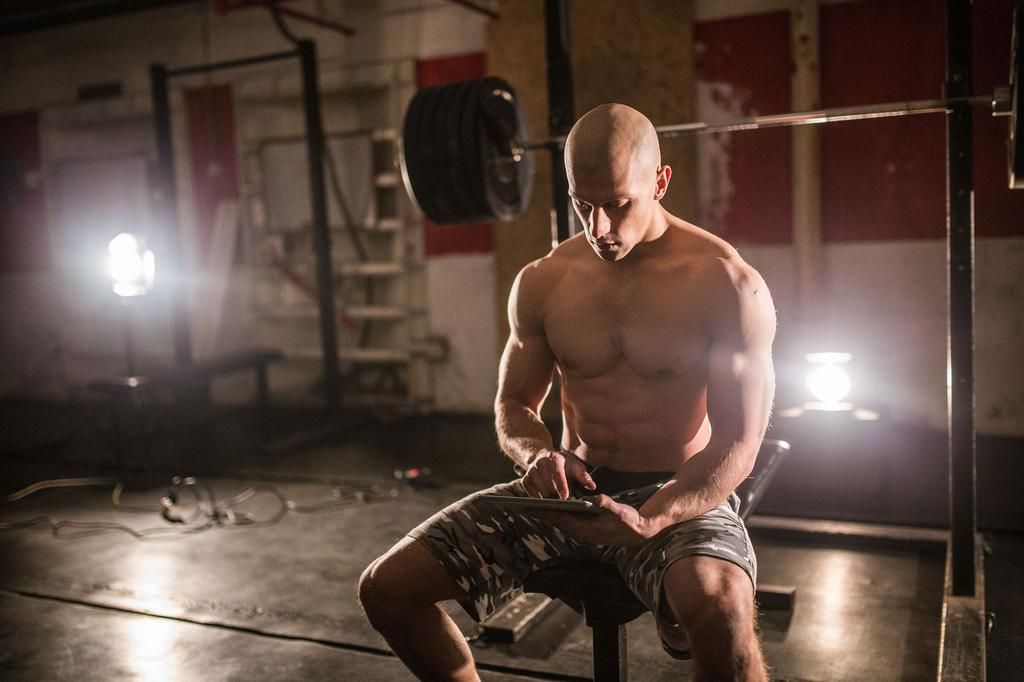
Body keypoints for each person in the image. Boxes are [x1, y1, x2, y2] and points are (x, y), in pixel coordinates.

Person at [359, 103, 776, 682]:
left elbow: (739, 439)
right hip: (569, 497)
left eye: (617, 205)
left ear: (660, 182)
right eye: (584, 205)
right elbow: (514, 406)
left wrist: (651, 520)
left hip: (673, 496)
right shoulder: (544, 281)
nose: (599, 227)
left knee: (721, 612)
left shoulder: (726, 285)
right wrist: (537, 456)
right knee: (387, 589)